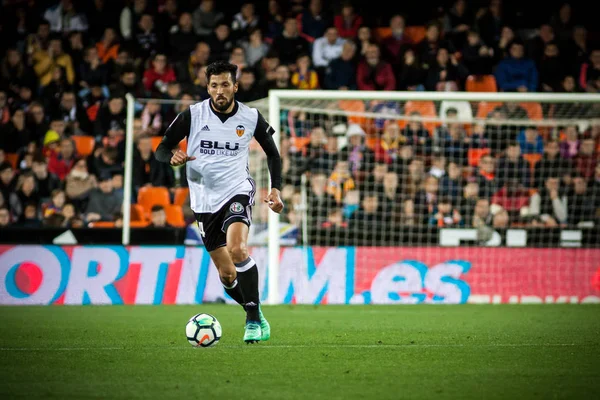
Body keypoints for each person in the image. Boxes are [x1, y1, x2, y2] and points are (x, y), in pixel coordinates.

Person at [155, 61, 283, 344]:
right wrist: (172, 155)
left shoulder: (250, 117)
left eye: (225, 84)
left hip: (237, 190)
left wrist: (276, 190)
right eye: (214, 85)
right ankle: (255, 310)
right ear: (207, 87)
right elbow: (161, 148)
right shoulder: (193, 115)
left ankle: (250, 321)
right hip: (203, 201)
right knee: (227, 275)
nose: (219, 91)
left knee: (238, 250)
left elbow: (273, 155)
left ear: (235, 86)